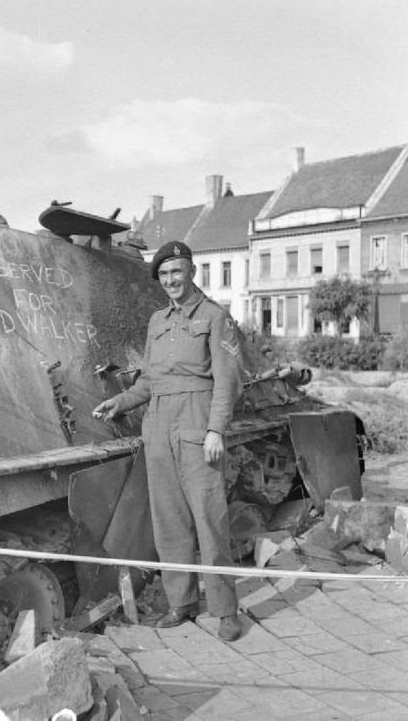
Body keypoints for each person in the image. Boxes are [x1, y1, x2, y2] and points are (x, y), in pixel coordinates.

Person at [92, 240, 243, 641]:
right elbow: (150, 380)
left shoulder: (215, 316)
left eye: (176, 271)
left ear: (191, 271)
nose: (171, 280)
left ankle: (226, 609)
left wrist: (216, 430)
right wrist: (120, 402)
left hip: (197, 422)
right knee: (169, 522)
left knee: (210, 519)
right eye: (163, 275)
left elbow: (227, 380)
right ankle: (182, 603)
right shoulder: (156, 321)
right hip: (157, 426)